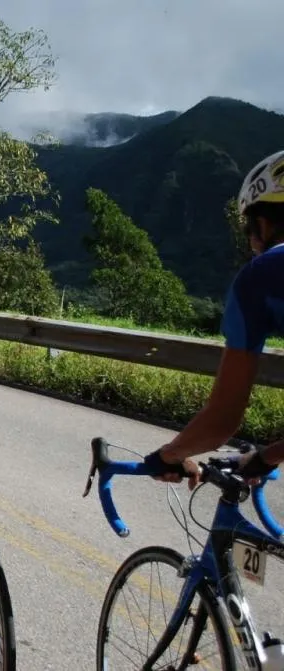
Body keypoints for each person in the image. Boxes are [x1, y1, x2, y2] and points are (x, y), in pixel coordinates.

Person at [151, 150, 284, 485]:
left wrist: (169, 455)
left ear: (264, 224)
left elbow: (221, 422)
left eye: (249, 230)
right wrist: (267, 457)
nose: (252, 242)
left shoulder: (262, 276)